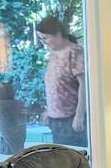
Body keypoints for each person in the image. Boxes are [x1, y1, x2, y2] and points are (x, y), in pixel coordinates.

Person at [35, 15, 87, 146]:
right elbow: (54, 86)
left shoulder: (75, 52)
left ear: (58, 34)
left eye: (45, 38)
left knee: (73, 163)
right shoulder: (52, 55)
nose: (44, 43)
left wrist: (79, 115)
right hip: (55, 120)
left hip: (72, 120)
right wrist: (49, 111)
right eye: (41, 39)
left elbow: (84, 85)